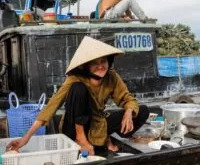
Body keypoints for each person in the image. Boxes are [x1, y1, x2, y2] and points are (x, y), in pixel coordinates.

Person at [7, 36, 149, 155]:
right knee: (78, 89)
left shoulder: (112, 77)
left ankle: (102, 138)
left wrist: (129, 112)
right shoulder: (75, 78)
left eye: (103, 61)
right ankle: (81, 139)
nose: (101, 66)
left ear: (109, 61)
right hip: (73, 127)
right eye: (95, 63)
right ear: (86, 66)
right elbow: (52, 106)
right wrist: (26, 137)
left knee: (142, 110)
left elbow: (127, 98)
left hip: (97, 123)